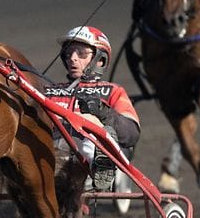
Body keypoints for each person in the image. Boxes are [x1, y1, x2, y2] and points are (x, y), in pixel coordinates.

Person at [44, 26, 141, 191]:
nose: (73, 58)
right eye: (69, 54)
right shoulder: (49, 90)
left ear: (100, 60)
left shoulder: (112, 90)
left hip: (86, 159)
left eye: (81, 54)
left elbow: (131, 134)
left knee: (90, 121)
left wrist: (104, 112)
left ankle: (101, 165)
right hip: (51, 155)